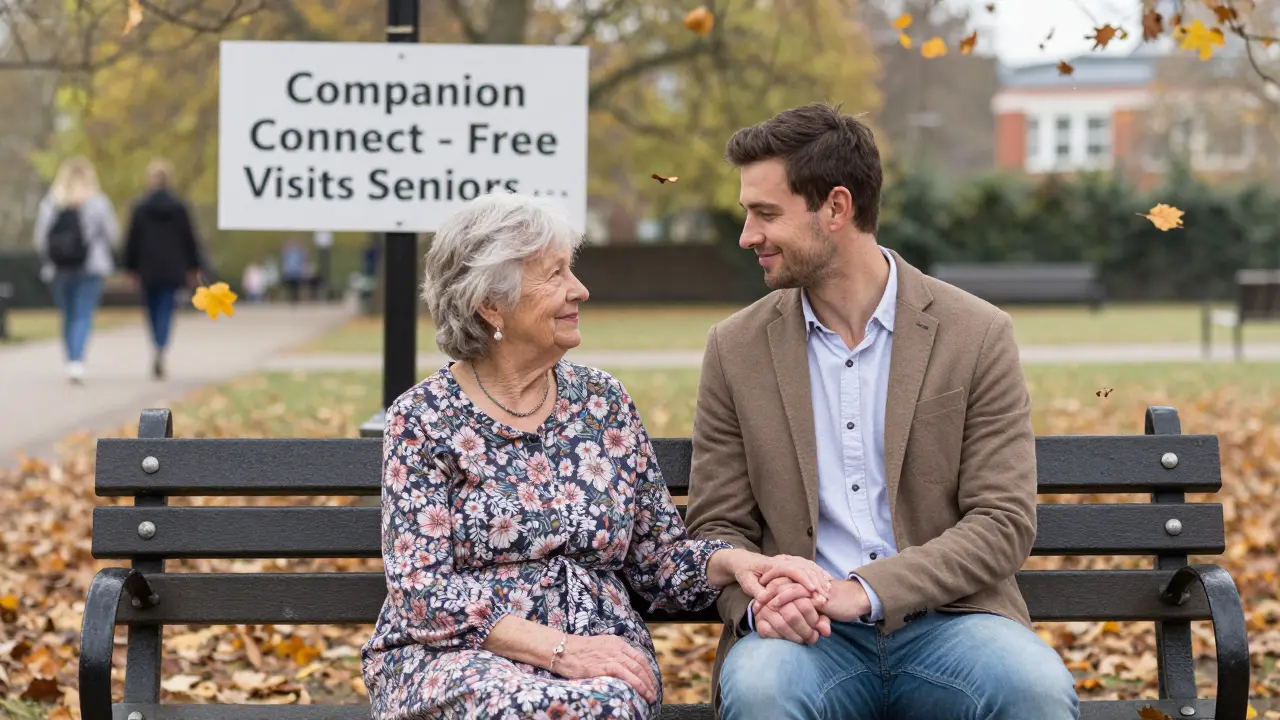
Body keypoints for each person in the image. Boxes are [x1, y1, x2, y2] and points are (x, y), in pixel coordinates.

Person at [359, 192, 831, 720]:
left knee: (601, 701)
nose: (579, 289)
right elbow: (422, 592)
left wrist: (740, 563)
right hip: (457, 658)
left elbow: (658, 562)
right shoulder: (423, 418)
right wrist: (559, 651)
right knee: (524, 705)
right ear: (491, 304)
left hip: (602, 654)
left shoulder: (603, 403)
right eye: (554, 274)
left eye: (572, 270)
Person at [682, 102, 1080, 720]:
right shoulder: (735, 349)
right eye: (747, 214)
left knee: (1033, 687)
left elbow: (1002, 520)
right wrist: (764, 604)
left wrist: (863, 593)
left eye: (766, 214)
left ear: (836, 208)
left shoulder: (976, 333)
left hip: (951, 622)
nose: (748, 236)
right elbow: (717, 526)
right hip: (804, 639)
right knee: (761, 691)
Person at [32, 156, 120, 384]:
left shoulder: (51, 203)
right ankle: (77, 362)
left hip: (58, 269)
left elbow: (40, 239)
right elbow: (112, 235)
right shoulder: (99, 202)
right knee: (83, 314)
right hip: (91, 267)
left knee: (68, 315)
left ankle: (71, 359)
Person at [123, 159, 204, 380]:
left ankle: (156, 344)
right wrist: (194, 266)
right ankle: (162, 345)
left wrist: (130, 268)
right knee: (166, 308)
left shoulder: (140, 207)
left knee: (151, 308)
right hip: (172, 266)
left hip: (147, 267)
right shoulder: (179, 207)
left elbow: (132, 240)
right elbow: (190, 239)